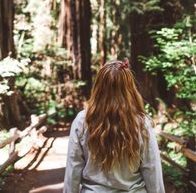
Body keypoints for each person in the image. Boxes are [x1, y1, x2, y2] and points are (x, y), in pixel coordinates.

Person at [64, 59, 165, 193]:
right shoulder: (141, 123)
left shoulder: (83, 120)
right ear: (129, 88)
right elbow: (152, 168)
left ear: (99, 86)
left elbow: (73, 168)